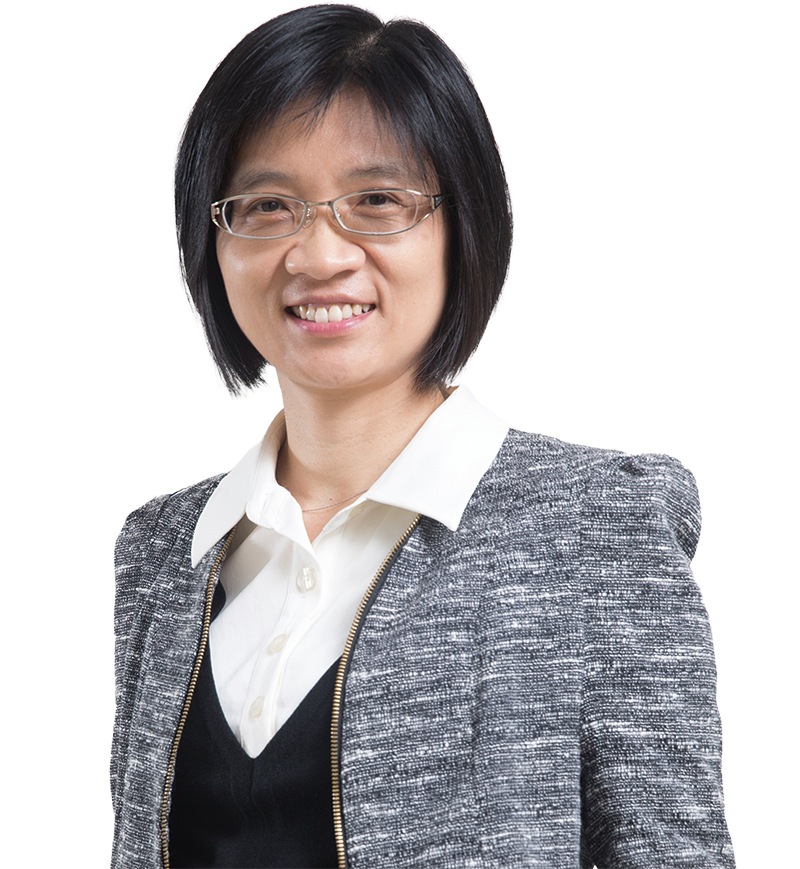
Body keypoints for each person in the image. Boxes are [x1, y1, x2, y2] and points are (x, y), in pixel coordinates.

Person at [110, 5, 735, 868]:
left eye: (376, 201)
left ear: (462, 226)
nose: (318, 255)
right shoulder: (160, 554)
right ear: (211, 242)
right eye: (267, 205)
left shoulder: (593, 530)